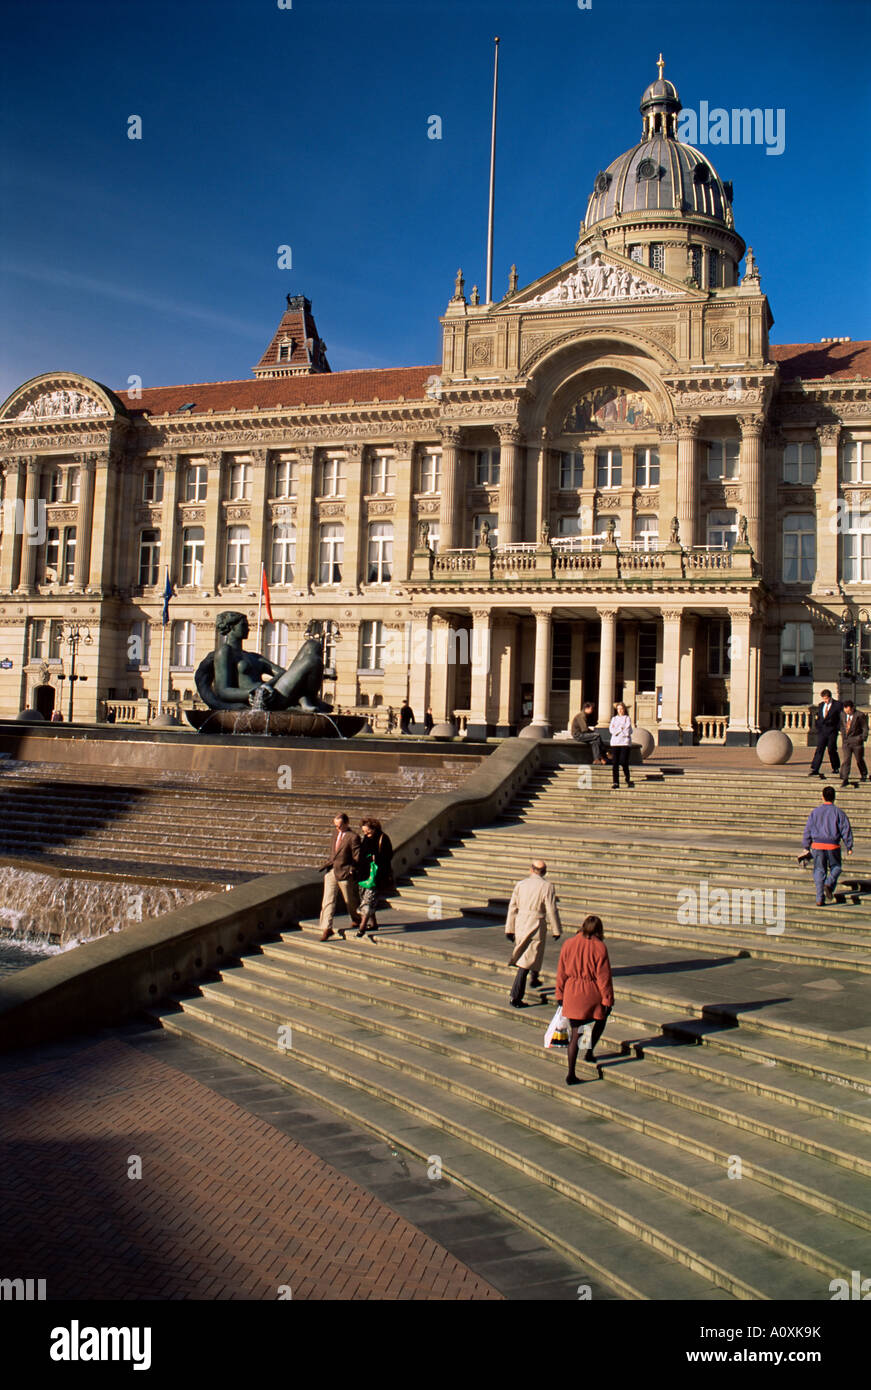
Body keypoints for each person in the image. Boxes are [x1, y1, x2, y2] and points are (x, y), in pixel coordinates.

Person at [556, 914, 614, 1084]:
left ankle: (571, 1073)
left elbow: (561, 972)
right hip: (591, 992)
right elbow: (604, 978)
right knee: (600, 1019)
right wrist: (607, 1000)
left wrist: (559, 994)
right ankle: (589, 1051)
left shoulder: (569, 943)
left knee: (575, 1033)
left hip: (572, 991)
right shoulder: (600, 947)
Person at [505, 860, 561, 1007]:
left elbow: (512, 907)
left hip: (521, 922)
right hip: (536, 923)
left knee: (530, 954)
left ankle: (534, 977)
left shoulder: (521, 884)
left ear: (531, 869)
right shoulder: (547, 886)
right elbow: (551, 909)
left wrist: (509, 928)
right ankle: (515, 996)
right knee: (527, 958)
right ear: (545, 872)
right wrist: (556, 929)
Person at [802, 785, 853, 906]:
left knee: (819, 871)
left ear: (822, 797)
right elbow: (846, 830)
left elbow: (807, 829)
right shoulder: (839, 813)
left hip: (817, 845)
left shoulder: (815, 812)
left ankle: (819, 898)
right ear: (834, 798)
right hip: (833, 845)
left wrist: (806, 845)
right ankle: (829, 883)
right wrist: (849, 846)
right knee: (836, 867)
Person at [318, 813, 361, 940]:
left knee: (350, 900)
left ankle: (356, 918)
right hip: (332, 871)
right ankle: (327, 928)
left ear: (347, 823)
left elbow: (357, 856)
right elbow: (333, 852)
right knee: (328, 900)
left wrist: (351, 869)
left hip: (344, 872)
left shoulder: (353, 837)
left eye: (340, 825)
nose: (338, 828)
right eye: (336, 825)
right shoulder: (335, 834)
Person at [356, 816, 394, 937]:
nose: (366, 833)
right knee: (366, 899)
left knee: (368, 900)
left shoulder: (383, 838)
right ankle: (374, 923)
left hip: (377, 876)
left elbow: (388, 855)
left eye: (368, 831)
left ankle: (362, 927)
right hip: (364, 875)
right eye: (364, 831)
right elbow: (361, 855)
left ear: (374, 828)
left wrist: (375, 857)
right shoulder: (366, 839)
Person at [809, 689, 843, 777]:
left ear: (830, 697)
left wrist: (837, 728)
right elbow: (819, 717)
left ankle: (835, 767)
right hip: (822, 731)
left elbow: (840, 718)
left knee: (831, 749)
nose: (825, 701)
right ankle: (815, 768)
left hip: (832, 731)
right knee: (819, 749)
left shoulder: (837, 705)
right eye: (824, 699)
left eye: (826, 699)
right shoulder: (821, 705)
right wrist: (818, 726)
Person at [839, 700, 868, 786]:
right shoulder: (842, 714)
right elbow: (842, 725)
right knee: (846, 759)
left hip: (857, 741)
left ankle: (863, 774)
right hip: (846, 741)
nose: (846, 711)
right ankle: (845, 778)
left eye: (848, 709)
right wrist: (843, 735)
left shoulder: (859, 715)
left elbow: (865, 728)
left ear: (852, 708)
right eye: (845, 709)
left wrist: (862, 738)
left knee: (859, 759)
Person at [608, 701, 633, 789]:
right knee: (615, 763)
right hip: (615, 743)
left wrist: (618, 730)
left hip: (624, 743)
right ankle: (615, 782)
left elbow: (627, 731)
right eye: (618, 709)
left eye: (621, 709)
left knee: (623, 761)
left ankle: (627, 777)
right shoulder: (614, 719)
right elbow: (611, 730)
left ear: (624, 709)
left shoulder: (627, 718)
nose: (620, 711)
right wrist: (620, 729)